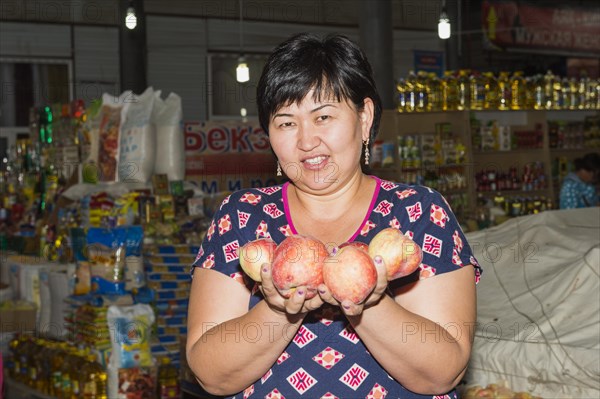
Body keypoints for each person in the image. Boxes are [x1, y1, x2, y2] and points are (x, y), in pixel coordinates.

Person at [187, 33, 481, 398]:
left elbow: (442, 372)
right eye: (286, 123)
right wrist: (279, 311)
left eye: (323, 116)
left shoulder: (418, 213)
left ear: (364, 117)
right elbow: (210, 374)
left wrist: (368, 303)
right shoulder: (242, 216)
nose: (306, 141)